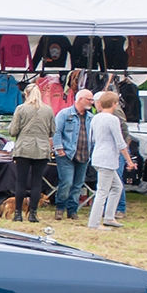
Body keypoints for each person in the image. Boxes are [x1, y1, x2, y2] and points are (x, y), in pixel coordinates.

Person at [6, 83, 55, 223]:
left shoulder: (21, 109)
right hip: (42, 149)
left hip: (24, 149)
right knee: (36, 182)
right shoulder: (48, 110)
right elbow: (52, 131)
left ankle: (18, 214)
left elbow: (13, 131)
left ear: (26, 95)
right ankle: (33, 213)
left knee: (21, 182)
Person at [85, 91, 134, 229]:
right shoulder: (113, 119)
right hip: (107, 158)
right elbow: (120, 142)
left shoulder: (96, 118)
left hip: (97, 155)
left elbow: (92, 139)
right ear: (114, 104)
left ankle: (109, 217)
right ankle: (94, 223)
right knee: (102, 191)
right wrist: (129, 161)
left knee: (117, 187)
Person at [51, 89, 94, 221]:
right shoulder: (64, 114)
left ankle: (72, 210)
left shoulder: (91, 118)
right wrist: (59, 149)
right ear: (80, 99)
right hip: (67, 154)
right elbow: (56, 131)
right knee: (67, 182)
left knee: (78, 184)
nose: (92, 102)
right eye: (89, 99)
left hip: (84, 154)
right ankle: (60, 208)